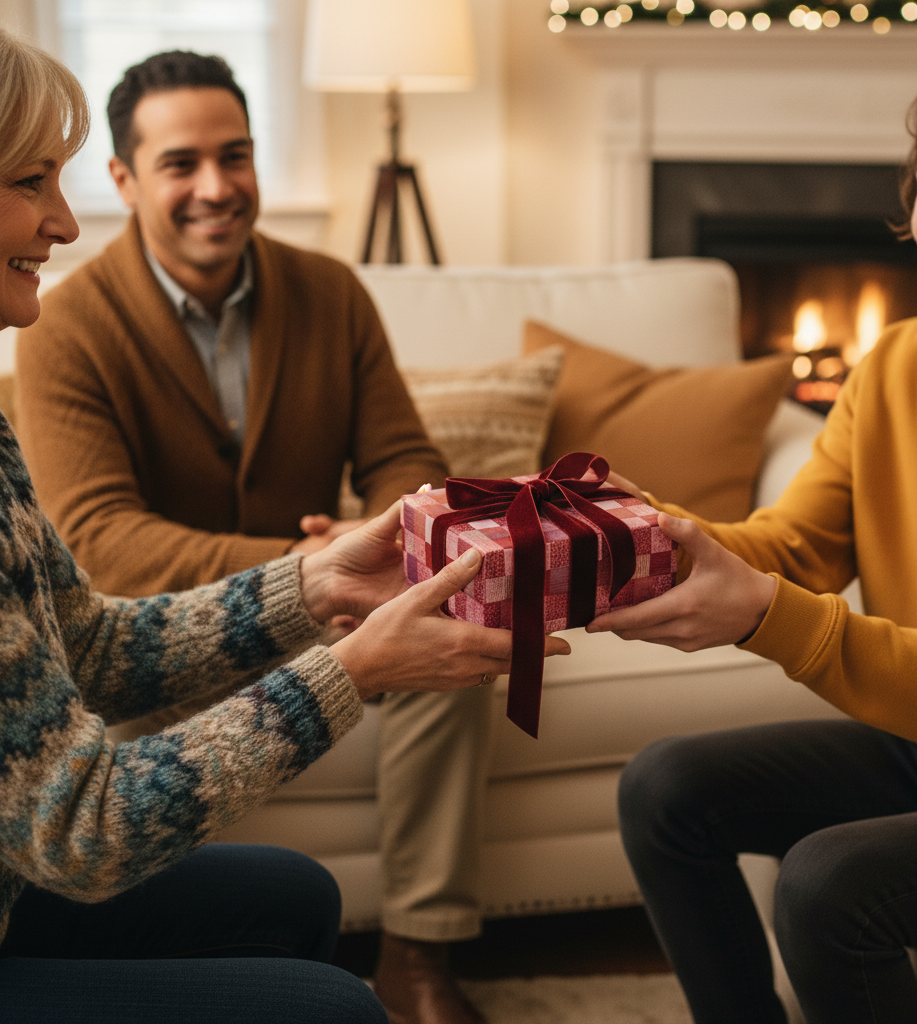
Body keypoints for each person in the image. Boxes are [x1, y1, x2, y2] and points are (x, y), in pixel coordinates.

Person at [0, 26, 569, 1024]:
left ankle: (422, 955)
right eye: (31, 181)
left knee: (302, 894)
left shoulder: (327, 292)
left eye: (236, 154)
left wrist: (320, 584)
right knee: (330, 1006)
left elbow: (82, 641)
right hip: (58, 844)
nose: (60, 219)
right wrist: (342, 644)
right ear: (134, 182)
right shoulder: (78, 325)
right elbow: (83, 826)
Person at [589, 45, 917, 1024]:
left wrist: (769, 618)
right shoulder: (897, 365)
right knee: (664, 786)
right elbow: (793, 547)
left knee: (825, 884)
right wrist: (642, 532)